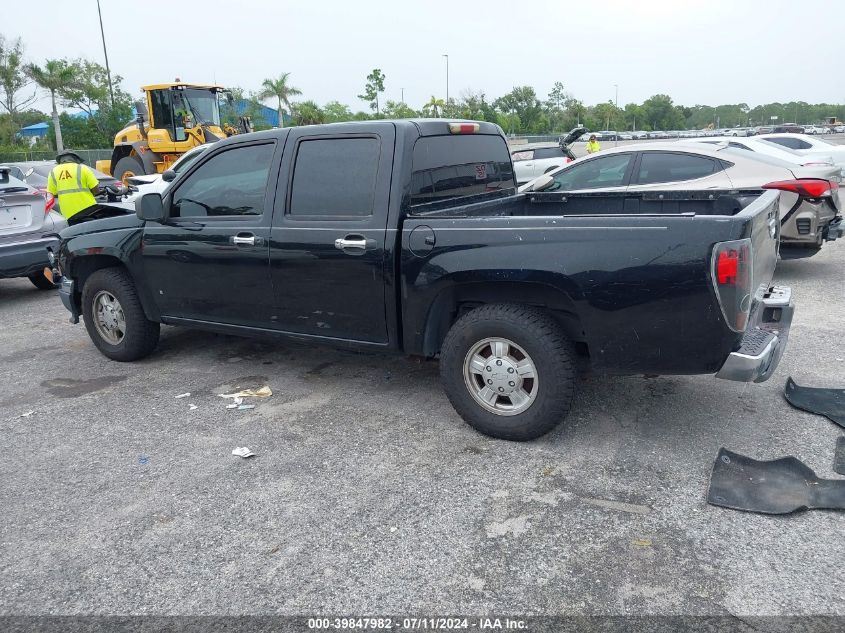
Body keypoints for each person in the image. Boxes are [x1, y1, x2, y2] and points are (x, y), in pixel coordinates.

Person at [47, 151, 100, 225]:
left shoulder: (53, 172)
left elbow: (52, 194)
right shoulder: (82, 168)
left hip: (67, 214)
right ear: (75, 158)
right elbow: (96, 191)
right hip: (88, 211)